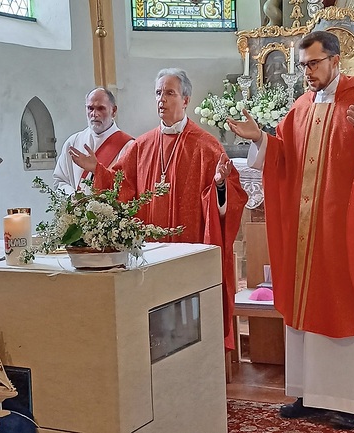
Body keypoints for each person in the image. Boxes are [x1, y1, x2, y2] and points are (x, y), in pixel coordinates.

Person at [227, 31, 354, 430]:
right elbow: (284, 156)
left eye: (313, 64)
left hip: (347, 234)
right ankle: (309, 393)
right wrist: (261, 138)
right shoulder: (300, 107)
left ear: (336, 60)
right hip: (307, 235)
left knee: (345, 304)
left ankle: (349, 400)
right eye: (303, 65)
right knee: (305, 309)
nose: (307, 73)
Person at [70, 68, 248, 350]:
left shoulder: (207, 147)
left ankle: (197, 356)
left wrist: (219, 185)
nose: (161, 100)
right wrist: (97, 170)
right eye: (158, 93)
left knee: (188, 322)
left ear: (186, 100)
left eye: (169, 93)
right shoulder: (141, 145)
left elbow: (231, 200)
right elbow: (120, 185)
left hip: (189, 254)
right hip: (149, 252)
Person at [53, 87, 134, 195]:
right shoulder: (73, 142)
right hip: (74, 210)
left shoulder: (128, 146)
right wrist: (73, 197)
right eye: (90, 108)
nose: (94, 114)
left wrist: (97, 170)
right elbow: (60, 181)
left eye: (101, 108)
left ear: (113, 111)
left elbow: (129, 188)